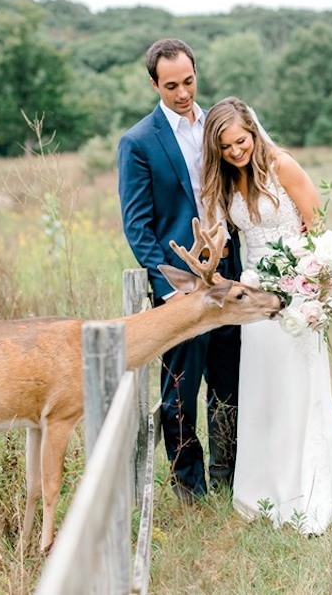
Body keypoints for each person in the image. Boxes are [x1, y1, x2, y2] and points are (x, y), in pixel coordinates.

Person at [200, 96, 332, 534]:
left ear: (253, 131)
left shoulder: (282, 166)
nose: (237, 151)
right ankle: (264, 493)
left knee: (299, 391)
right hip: (254, 298)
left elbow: (317, 226)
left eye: (241, 141)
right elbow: (215, 234)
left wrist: (311, 284)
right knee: (264, 391)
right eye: (227, 147)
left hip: (296, 293)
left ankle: (310, 493)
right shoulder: (225, 182)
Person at [117, 39, 244, 504]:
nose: (183, 93)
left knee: (228, 383)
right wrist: (167, 290)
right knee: (179, 393)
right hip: (182, 288)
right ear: (154, 84)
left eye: (188, 82)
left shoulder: (216, 126)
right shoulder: (138, 142)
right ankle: (191, 489)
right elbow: (137, 225)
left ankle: (228, 475)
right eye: (171, 86)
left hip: (228, 276)